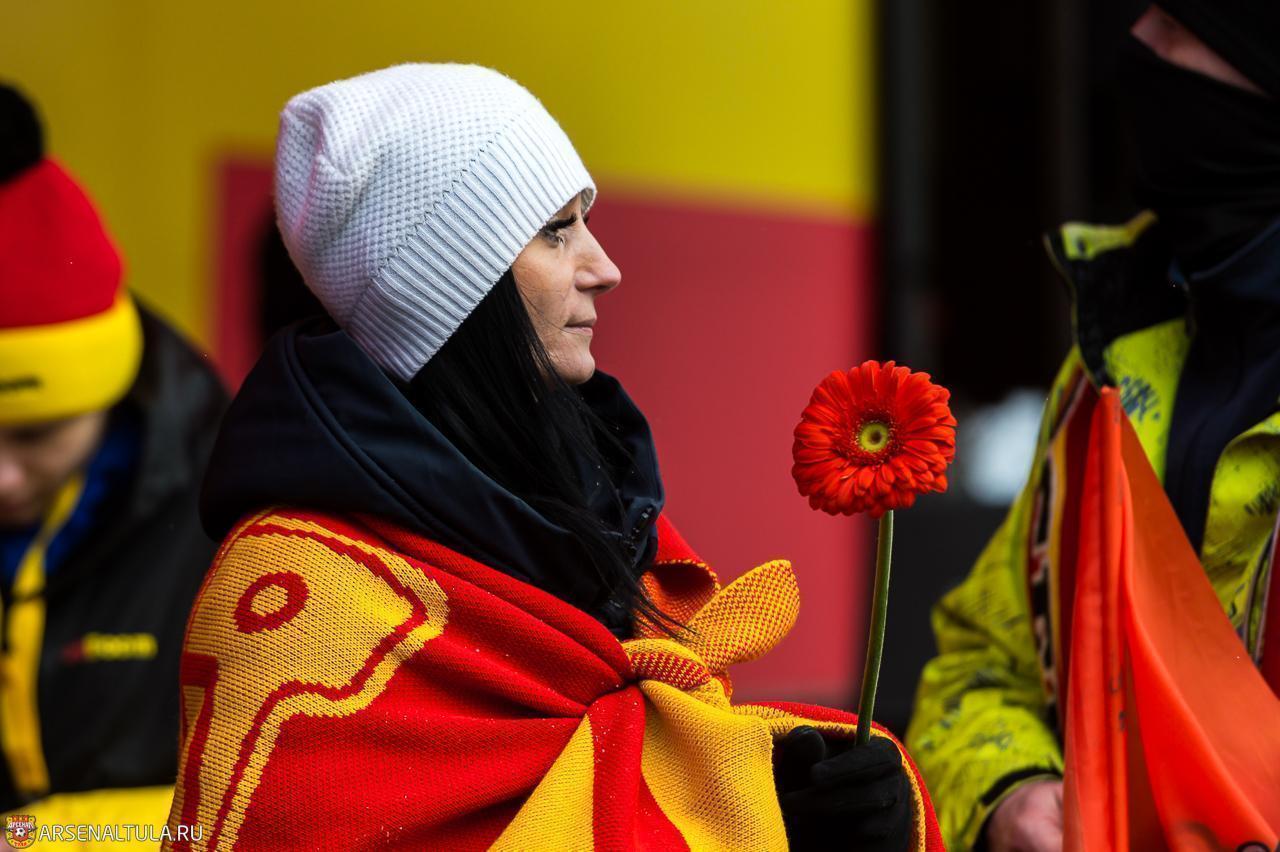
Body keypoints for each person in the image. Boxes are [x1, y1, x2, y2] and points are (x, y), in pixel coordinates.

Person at [162, 64, 944, 850]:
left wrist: (789, 807)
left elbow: (642, 760)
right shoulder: (294, 594)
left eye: (583, 223)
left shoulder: (605, 502)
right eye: (555, 231)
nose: (604, 268)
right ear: (451, 287)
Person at [907, 4, 1280, 850]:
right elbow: (981, 663)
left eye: (1182, 22)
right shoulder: (1110, 352)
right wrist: (1011, 793)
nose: (1138, 44)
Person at [0, 85, 227, 825]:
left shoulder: (229, 512)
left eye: (37, 435)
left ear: (114, 394)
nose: (2, 478)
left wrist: (48, 839)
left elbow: (266, 805)